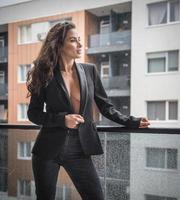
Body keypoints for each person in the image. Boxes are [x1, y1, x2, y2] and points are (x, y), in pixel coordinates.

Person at [26, 21, 150, 200]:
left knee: (96, 196)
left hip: (80, 148)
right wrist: (62, 119)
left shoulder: (89, 71)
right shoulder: (45, 73)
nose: (80, 44)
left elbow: (106, 107)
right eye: (73, 40)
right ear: (59, 45)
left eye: (79, 40)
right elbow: (33, 113)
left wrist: (132, 121)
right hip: (47, 150)